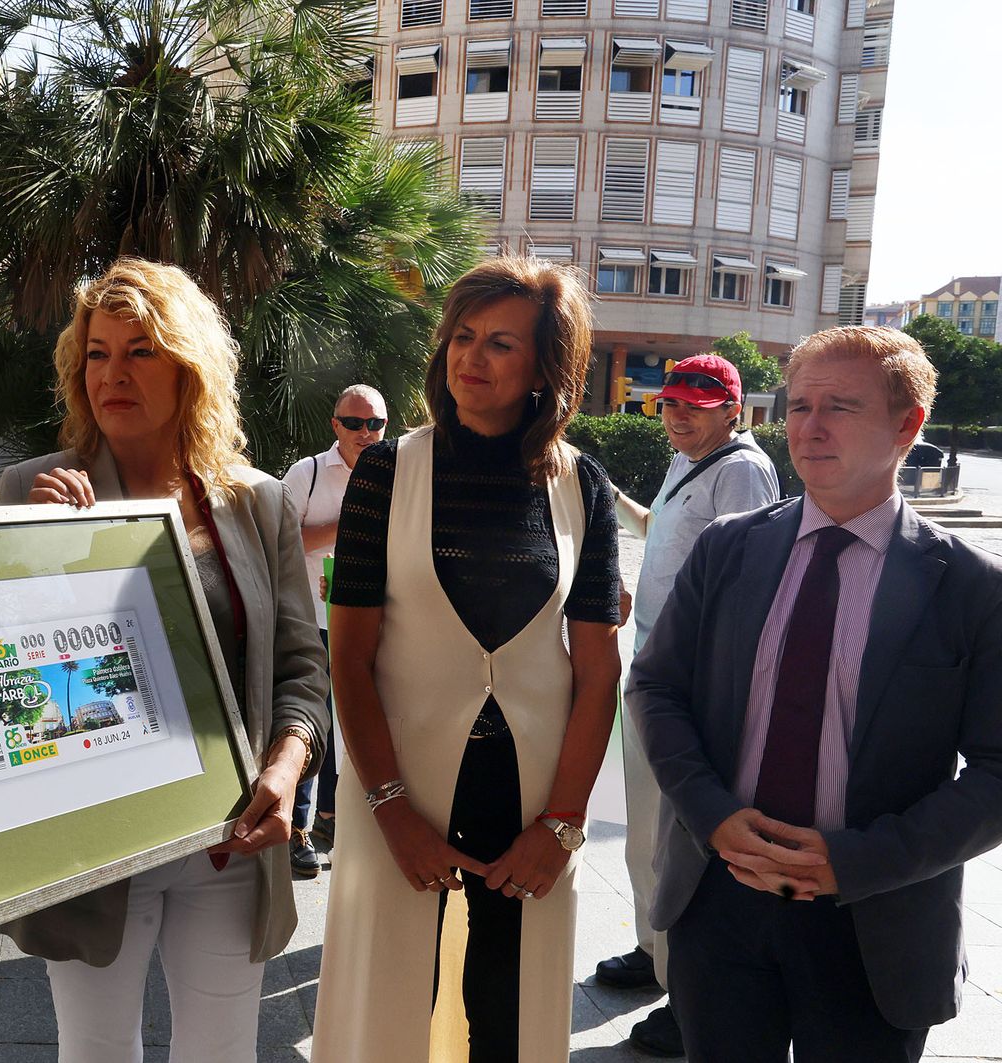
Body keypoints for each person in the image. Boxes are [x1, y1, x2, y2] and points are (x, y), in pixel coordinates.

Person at [629, 326, 1002, 1062]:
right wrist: (712, 813)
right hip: (721, 900)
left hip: (878, 919)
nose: (810, 426)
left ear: (908, 424)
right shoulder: (728, 549)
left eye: (840, 405)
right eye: (798, 405)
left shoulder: (972, 588)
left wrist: (858, 859)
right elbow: (656, 687)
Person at [0, 257, 329, 1063]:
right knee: (97, 1052)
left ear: (189, 369)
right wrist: (49, 556)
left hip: (229, 837)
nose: (113, 372)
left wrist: (285, 772)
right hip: (95, 846)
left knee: (221, 1053)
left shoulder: (257, 500)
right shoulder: (32, 490)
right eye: (98, 352)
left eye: (141, 350)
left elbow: (301, 667)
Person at [312, 256, 622, 1060]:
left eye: (500, 345)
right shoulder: (385, 472)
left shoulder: (581, 485)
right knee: (389, 1003)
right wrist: (388, 807)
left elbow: (597, 669)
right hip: (400, 781)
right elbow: (349, 657)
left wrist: (563, 823)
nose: (469, 357)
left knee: (510, 1012)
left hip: (532, 796)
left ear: (545, 369)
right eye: (461, 335)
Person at [597, 353, 780, 1057]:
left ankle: (686, 994)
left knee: (677, 842)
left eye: (696, 406)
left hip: (691, 686)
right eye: (671, 402)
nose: (677, 414)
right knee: (643, 828)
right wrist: (612, 498)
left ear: (732, 410)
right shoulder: (689, 461)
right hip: (653, 671)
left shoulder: (740, 469)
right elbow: (664, 535)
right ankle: (652, 952)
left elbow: (741, 574)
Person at [278, 383, 389, 876]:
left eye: (376, 424)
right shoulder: (309, 472)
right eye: (355, 423)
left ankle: (332, 818)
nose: (366, 433)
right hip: (312, 624)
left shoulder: (398, 473)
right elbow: (281, 542)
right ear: (335, 425)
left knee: (356, 723)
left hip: (372, 623)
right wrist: (349, 527)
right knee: (310, 723)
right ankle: (295, 827)